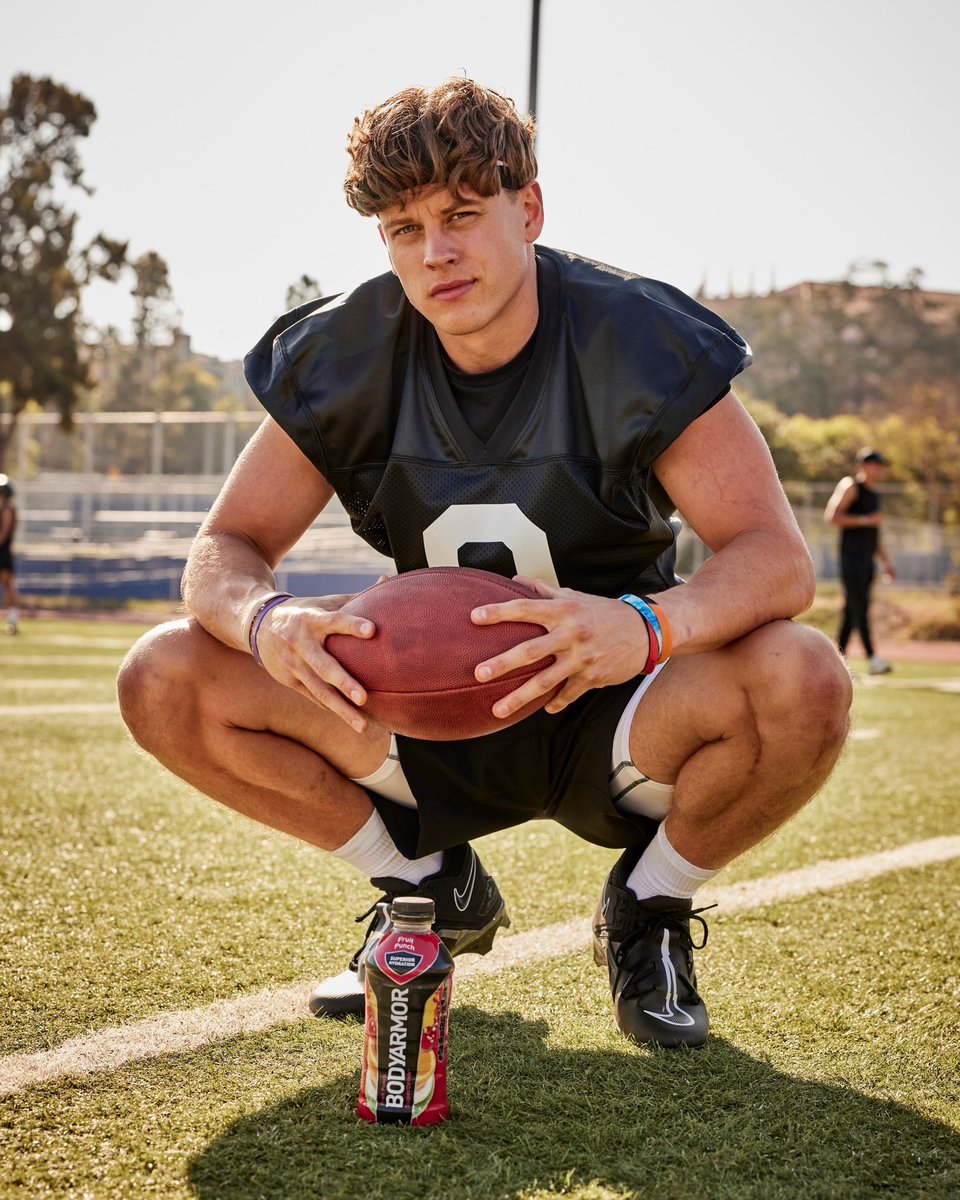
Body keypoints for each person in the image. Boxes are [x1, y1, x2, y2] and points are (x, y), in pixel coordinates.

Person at [117, 78, 852, 1049]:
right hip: (420, 706)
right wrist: (267, 618)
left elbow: (775, 558)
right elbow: (225, 548)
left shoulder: (633, 334)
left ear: (529, 208)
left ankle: (650, 905)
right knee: (165, 676)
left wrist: (640, 626)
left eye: (462, 215)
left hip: (618, 700)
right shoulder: (346, 351)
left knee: (805, 680)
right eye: (403, 228)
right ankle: (426, 888)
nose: (437, 252)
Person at [825, 448, 896, 675]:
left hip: (867, 561)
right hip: (851, 558)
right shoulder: (851, 486)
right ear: (864, 466)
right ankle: (873, 658)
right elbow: (832, 517)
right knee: (860, 607)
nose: (880, 469)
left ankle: (837, 660)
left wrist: (886, 562)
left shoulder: (874, 494)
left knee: (852, 612)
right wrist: (866, 520)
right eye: (876, 464)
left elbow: (874, 535)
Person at [0, 475, 19, 635]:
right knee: (8, 586)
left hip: (2, 553)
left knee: (7, 584)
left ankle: (13, 620)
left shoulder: (7, 509)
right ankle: (12, 620)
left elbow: (4, 532)